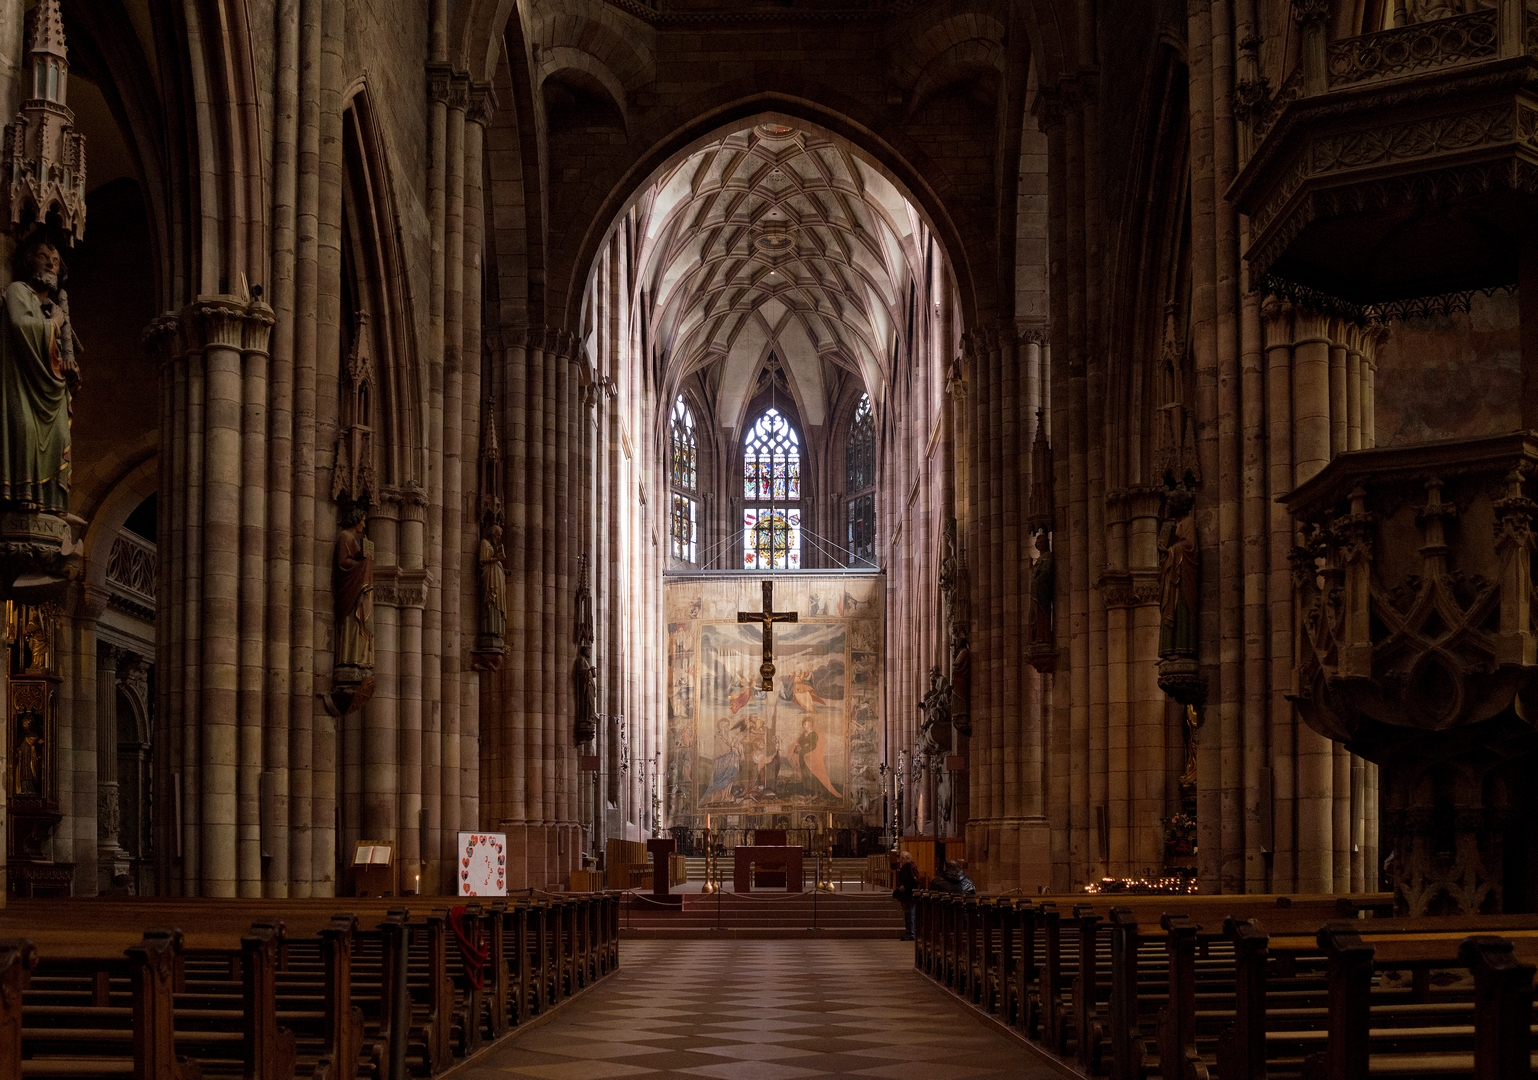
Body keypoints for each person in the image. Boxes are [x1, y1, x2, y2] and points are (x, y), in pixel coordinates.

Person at [893, 850, 920, 940]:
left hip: (910, 894)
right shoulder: (905, 867)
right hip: (906, 895)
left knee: (910, 913)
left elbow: (915, 881)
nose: (900, 860)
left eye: (903, 858)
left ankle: (911, 933)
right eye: (900, 858)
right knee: (907, 914)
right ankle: (909, 932)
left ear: (908, 859)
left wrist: (905, 886)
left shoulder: (911, 867)